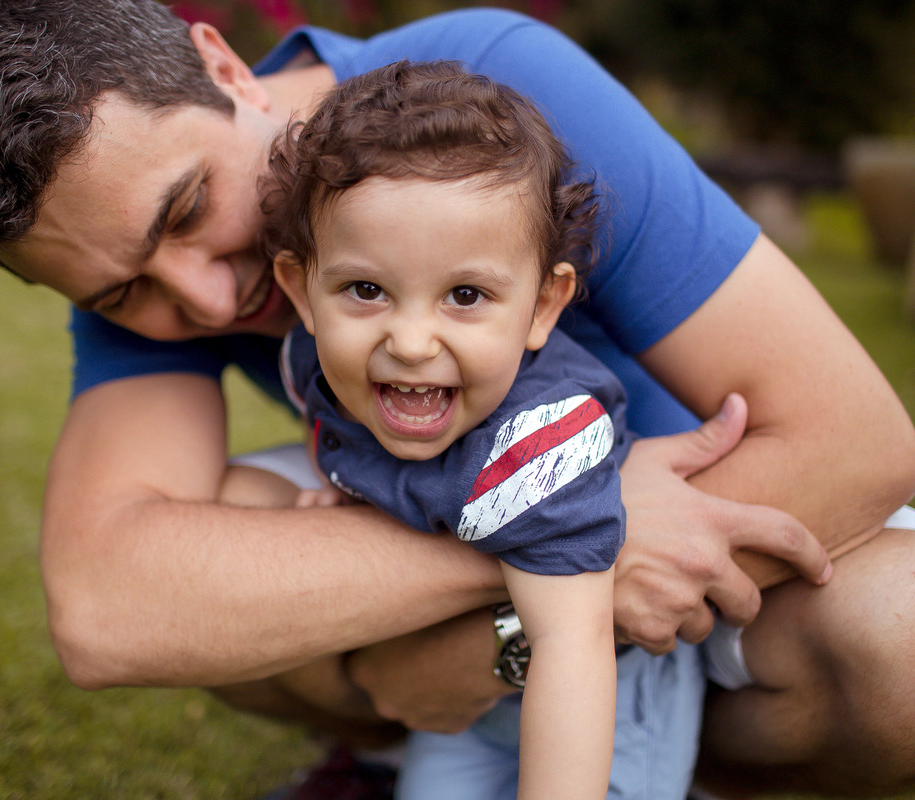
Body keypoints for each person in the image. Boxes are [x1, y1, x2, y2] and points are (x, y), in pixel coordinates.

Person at [0, 2, 915, 799]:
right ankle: (438, 738)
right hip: (504, 515)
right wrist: (544, 570)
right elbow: (107, 607)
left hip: (715, 516)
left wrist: (512, 617)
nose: (207, 291)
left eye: (188, 210)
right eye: (121, 288)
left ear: (225, 70)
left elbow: (856, 443)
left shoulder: (491, 93)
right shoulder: (128, 258)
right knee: (210, 557)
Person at [263, 59, 707, 800]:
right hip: (471, 691)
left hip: (607, 690)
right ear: (302, 292)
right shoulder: (320, 363)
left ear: (541, 306)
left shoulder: (540, 448)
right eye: (366, 289)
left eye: (464, 295)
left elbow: (574, 649)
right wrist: (344, 490)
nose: (409, 340)